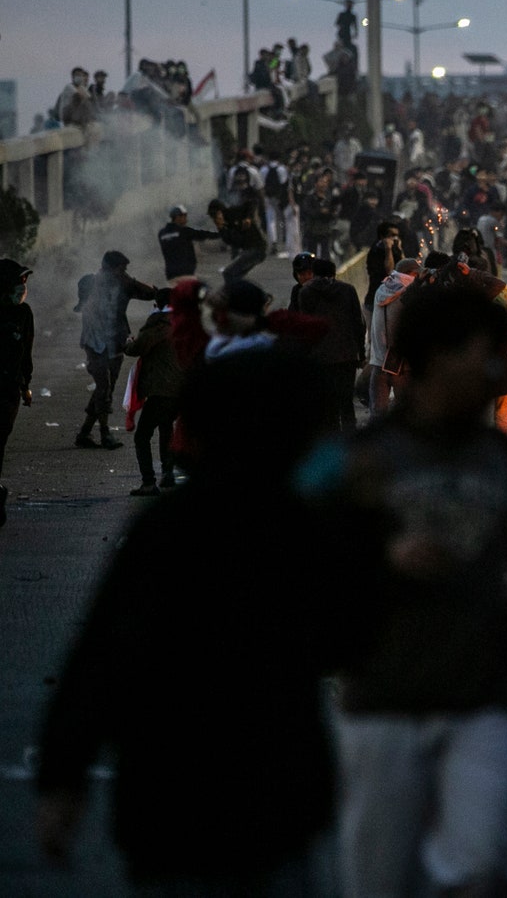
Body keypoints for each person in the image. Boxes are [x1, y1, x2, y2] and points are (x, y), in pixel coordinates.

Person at [36, 347, 338, 893]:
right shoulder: (301, 530)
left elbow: (101, 656)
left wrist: (63, 777)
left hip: (167, 802)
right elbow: (349, 640)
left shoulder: (169, 528)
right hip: (273, 805)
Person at [299, 284, 507, 897]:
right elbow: (301, 573)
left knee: (480, 869)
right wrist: (385, 560)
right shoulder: (360, 459)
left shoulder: (497, 455)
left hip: (481, 699)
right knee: (378, 882)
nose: (499, 370)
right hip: (383, 701)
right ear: (437, 357)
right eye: (486, 354)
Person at [75, 251, 156, 451]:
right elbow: (83, 307)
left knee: (106, 389)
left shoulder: (124, 284)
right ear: (108, 268)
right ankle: (105, 433)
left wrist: (131, 280)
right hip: (95, 343)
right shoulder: (89, 283)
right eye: (121, 269)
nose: (123, 273)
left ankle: (84, 433)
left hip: (115, 343)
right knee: (104, 387)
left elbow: (149, 294)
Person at [124, 289, 183, 496]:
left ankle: (148, 483)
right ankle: (168, 473)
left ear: (157, 304)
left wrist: (129, 343)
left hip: (161, 390)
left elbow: (138, 347)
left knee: (142, 436)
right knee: (166, 427)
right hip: (180, 389)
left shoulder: (159, 323)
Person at [297, 258, 366, 432]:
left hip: (320, 355)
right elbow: (358, 323)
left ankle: (333, 443)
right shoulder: (348, 290)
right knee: (346, 401)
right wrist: (361, 353)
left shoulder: (306, 292)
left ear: (314, 273)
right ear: (334, 272)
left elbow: (305, 326)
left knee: (328, 403)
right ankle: (351, 441)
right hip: (347, 354)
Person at [0, 260, 34, 527]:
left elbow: (25, 354)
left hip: (9, 390)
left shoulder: (23, 314)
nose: (23, 288)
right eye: (19, 282)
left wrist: (25, 386)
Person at [368, 258, 420, 415]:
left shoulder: (381, 289)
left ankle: (376, 440)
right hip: (402, 365)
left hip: (379, 362)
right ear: (412, 274)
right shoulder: (409, 294)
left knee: (377, 414)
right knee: (406, 414)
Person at [157, 204, 221, 282]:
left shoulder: (161, 233)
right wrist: (221, 234)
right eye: (184, 217)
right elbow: (203, 234)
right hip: (185, 274)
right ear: (177, 217)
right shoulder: (184, 231)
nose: (186, 219)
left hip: (171, 275)